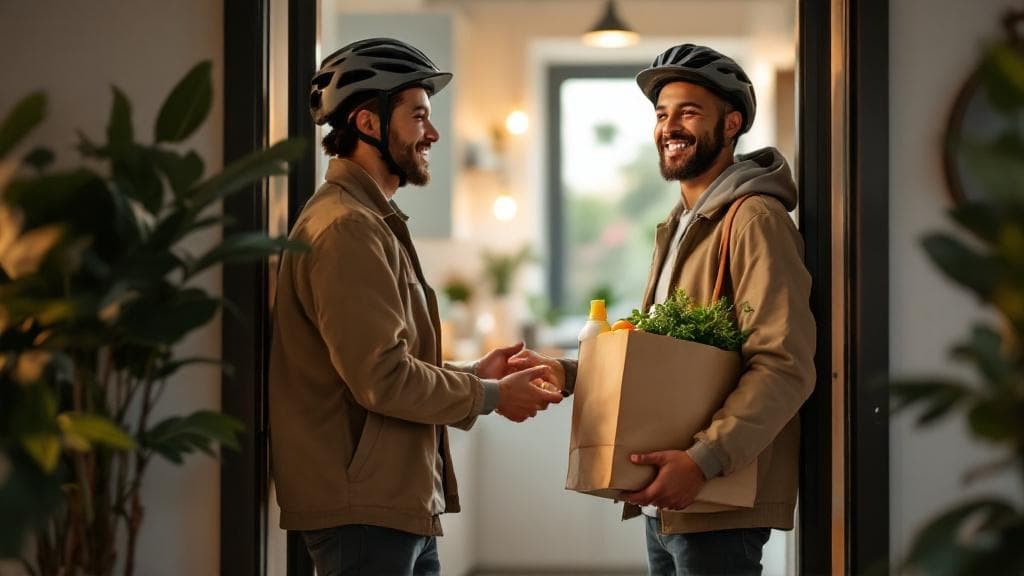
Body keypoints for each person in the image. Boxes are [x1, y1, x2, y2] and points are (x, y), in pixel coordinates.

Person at [510, 44, 816, 575]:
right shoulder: (680, 224)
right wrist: (569, 373)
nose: (669, 126)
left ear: (731, 124)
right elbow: (666, 361)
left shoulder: (754, 221)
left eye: (689, 112)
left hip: (715, 497)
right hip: (668, 496)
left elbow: (784, 363)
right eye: (661, 114)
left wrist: (703, 460)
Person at [268, 37, 563, 576]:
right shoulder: (347, 228)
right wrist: (493, 395)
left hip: (391, 502)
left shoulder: (367, 218)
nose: (433, 133)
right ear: (368, 122)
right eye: (418, 116)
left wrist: (473, 372)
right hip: (364, 510)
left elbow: (379, 364)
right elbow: (382, 378)